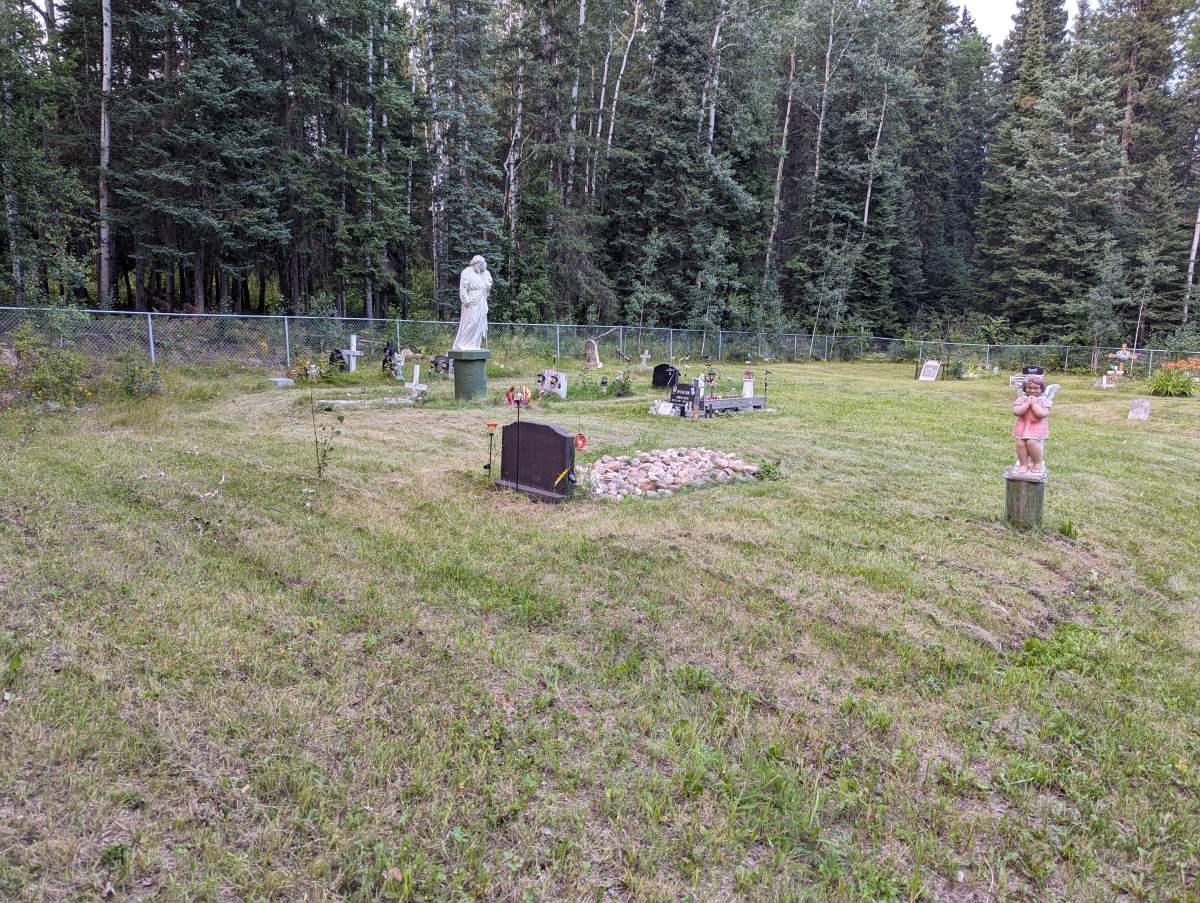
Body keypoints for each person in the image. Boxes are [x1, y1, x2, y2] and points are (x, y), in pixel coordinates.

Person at [1012, 374, 1050, 476]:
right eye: (1029, 387)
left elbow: (1042, 414)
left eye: (1036, 388)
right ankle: (1023, 464)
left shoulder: (1043, 400)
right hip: (1023, 425)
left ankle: (1037, 463)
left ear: (1041, 388)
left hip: (1036, 426)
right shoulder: (1022, 398)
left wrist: (1033, 404)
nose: (1032, 391)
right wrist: (1027, 404)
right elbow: (1016, 412)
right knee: (1020, 443)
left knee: (1031, 442)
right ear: (1024, 388)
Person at [452, 255, 491, 351]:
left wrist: (486, 284)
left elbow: (487, 284)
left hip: (480, 300)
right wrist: (466, 300)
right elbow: (463, 288)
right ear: (476, 263)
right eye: (480, 265)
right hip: (471, 301)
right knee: (471, 321)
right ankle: (463, 343)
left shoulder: (481, 273)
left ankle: (474, 344)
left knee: (479, 321)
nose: (481, 267)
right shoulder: (466, 272)